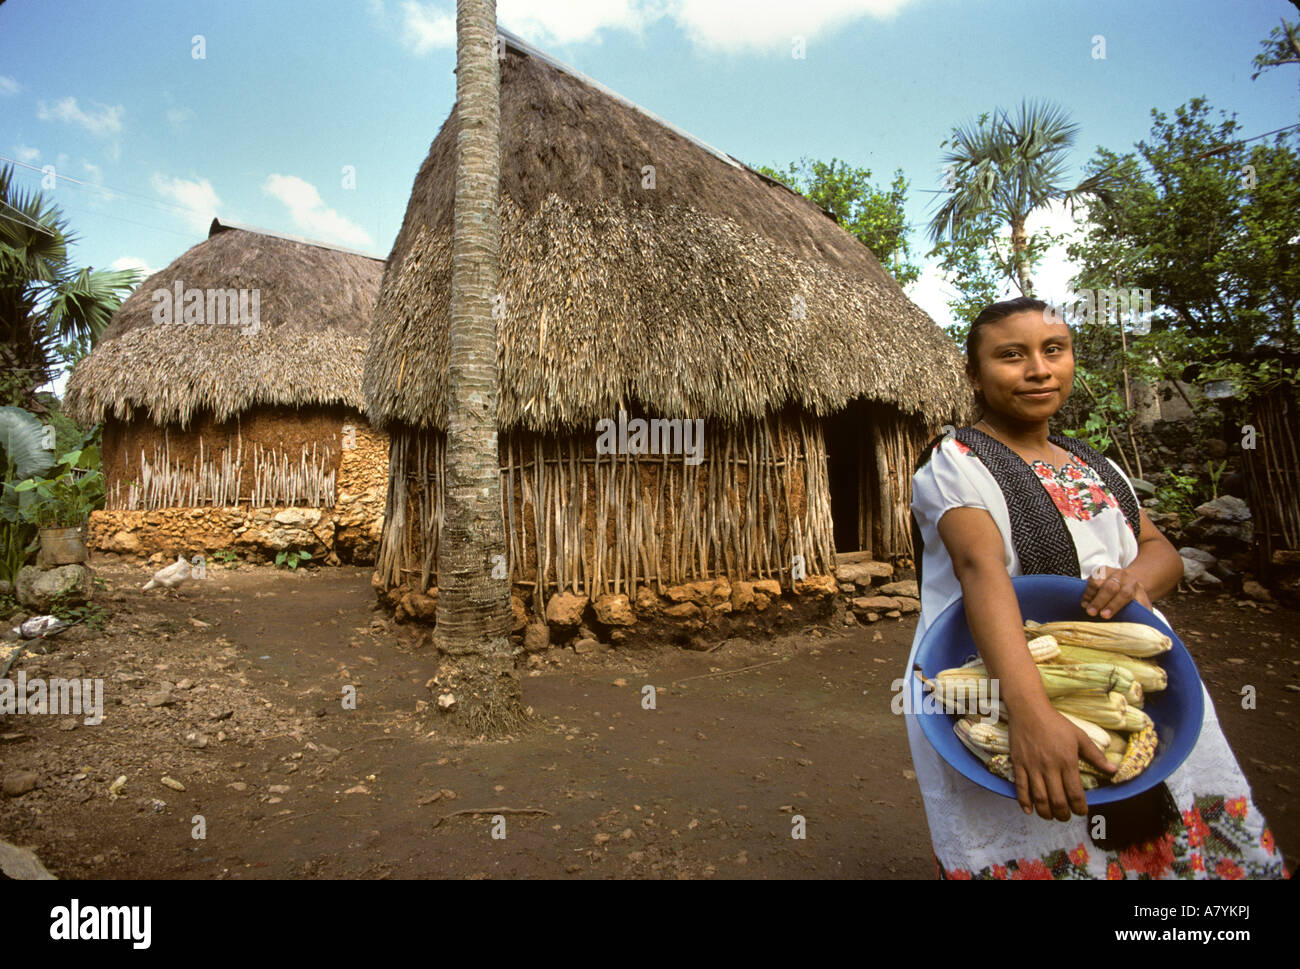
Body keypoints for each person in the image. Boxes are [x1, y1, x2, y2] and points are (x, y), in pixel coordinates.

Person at [904, 296, 1288, 879]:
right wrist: (1031, 716)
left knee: (1175, 827)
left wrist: (1134, 579)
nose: (1039, 369)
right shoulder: (956, 460)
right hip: (1002, 680)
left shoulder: (1094, 465)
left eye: (1053, 350)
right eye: (1012, 355)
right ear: (974, 373)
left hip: (1123, 681)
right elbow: (980, 570)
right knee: (1044, 827)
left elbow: (1161, 552)